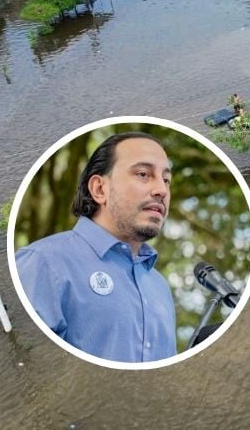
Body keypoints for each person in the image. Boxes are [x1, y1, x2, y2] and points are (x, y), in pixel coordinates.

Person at [15, 132, 178, 363]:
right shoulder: (43, 262)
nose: (161, 190)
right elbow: (20, 366)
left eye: (166, 180)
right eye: (143, 174)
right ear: (99, 189)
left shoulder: (160, 287)